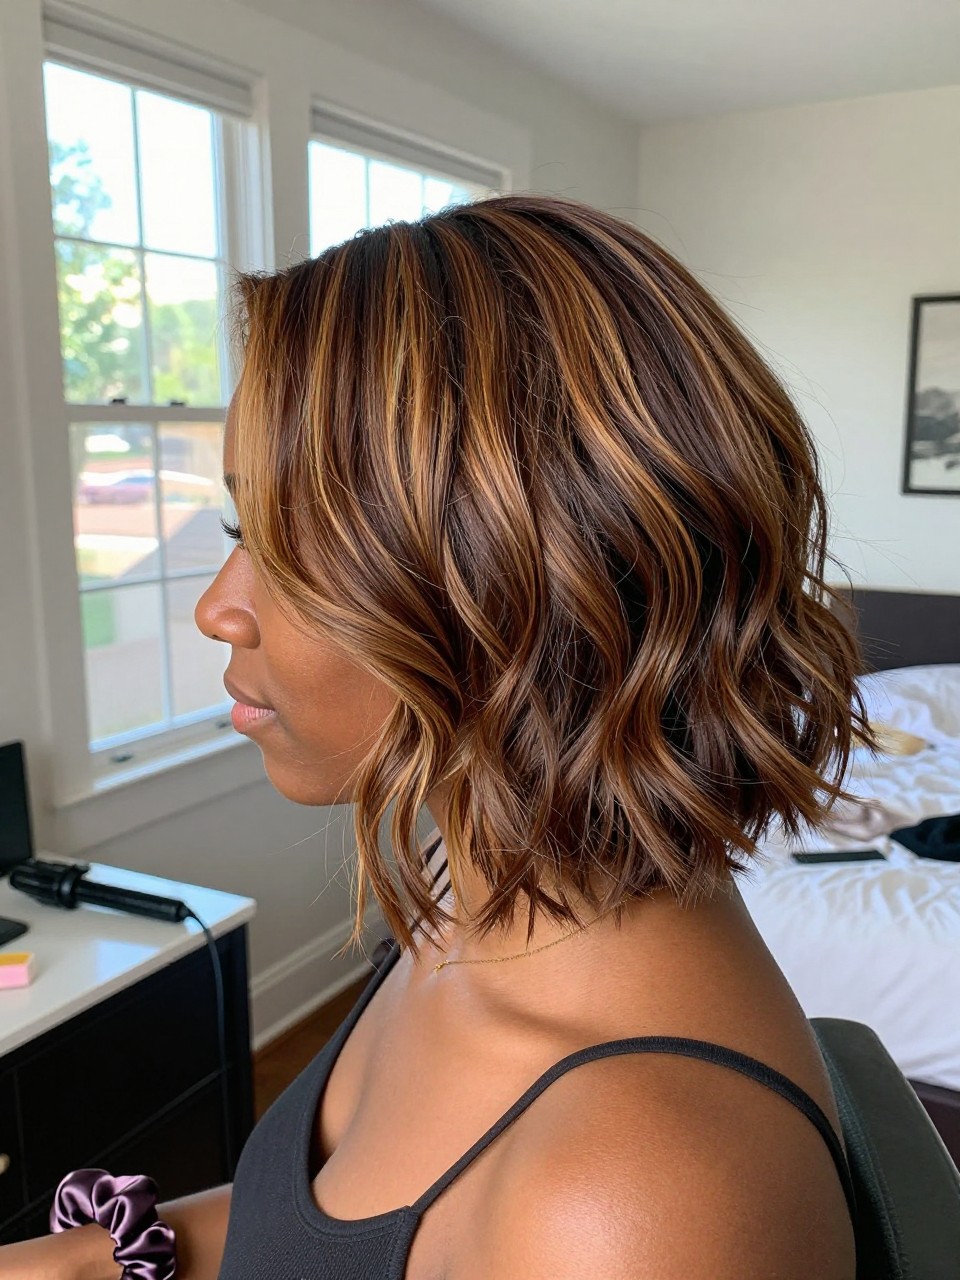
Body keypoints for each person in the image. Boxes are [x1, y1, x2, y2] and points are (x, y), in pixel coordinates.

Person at [3, 193, 874, 1278]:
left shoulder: (628, 1205)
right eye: (237, 523)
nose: (219, 608)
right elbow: (320, 1224)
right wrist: (98, 1258)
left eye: (290, 539)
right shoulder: (479, 878)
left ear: (523, 580)